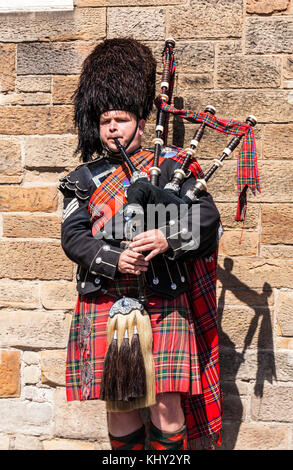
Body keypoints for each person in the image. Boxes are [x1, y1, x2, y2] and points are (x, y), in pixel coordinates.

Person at [59, 37, 222, 450]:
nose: (112, 128)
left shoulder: (173, 168)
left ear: (142, 123)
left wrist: (167, 238)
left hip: (163, 297)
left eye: (122, 119)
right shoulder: (83, 179)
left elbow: (207, 219)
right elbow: (73, 237)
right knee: (119, 403)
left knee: (166, 404)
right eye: (104, 121)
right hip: (105, 300)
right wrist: (114, 258)